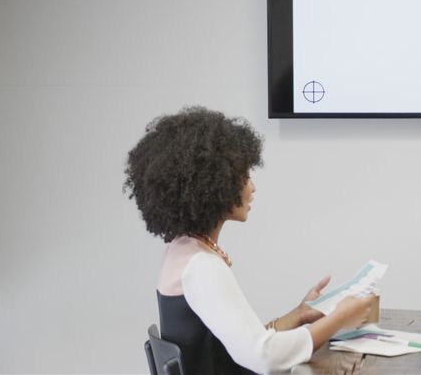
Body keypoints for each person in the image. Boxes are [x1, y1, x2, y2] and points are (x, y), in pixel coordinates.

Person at [124, 106, 373, 374]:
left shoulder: (182, 251)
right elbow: (263, 357)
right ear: (214, 185)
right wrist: (338, 319)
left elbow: (238, 344)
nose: (252, 188)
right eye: (244, 177)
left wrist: (299, 315)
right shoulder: (201, 267)